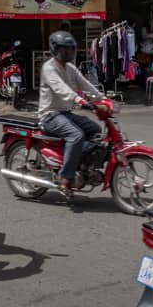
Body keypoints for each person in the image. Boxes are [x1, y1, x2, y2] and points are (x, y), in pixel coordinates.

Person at [38, 30, 102, 196]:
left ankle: (79, 164)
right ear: (55, 49)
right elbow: (61, 89)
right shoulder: (49, 68)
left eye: (71, 49)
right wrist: (79, 100)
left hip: (65, 113)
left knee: (95, 130)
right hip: (50, 115)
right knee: (76, 135)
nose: (68, 52)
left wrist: (102, 99)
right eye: (64, 49)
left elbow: (86, 85)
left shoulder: (70, 68)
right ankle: (65, 178)